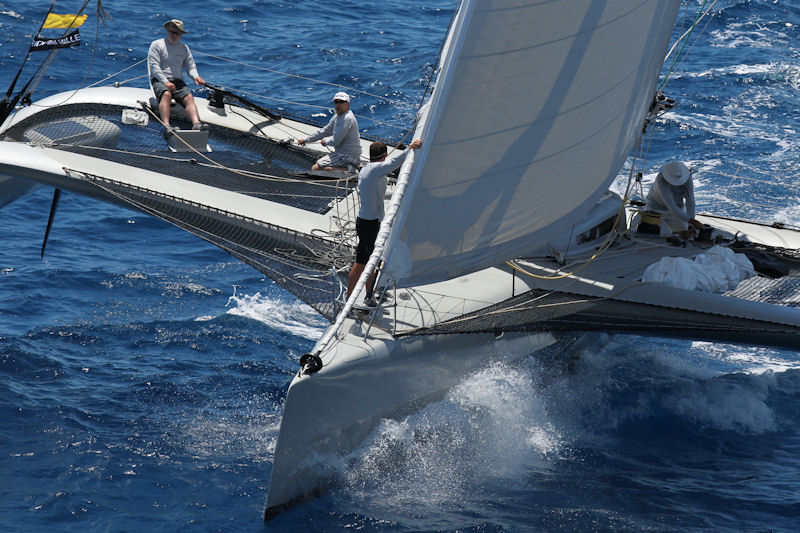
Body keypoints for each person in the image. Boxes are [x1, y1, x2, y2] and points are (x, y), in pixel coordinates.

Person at [347, 138, 423, 304]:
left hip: (370, 221)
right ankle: (348, 298)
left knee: (372, 261)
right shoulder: (375, 169)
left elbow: (379, 194)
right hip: (368, 223)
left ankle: (369, 295)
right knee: (361, 263)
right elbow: (394, 164)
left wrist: (398, 194)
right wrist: (409, 149)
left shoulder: (370, 169)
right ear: (384, 155)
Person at [148, 19, 207, 137]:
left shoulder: (184, 48)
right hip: (160, 80)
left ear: (181, 35)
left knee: (189, 97)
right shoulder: (156, 45)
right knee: (166, 94)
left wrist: (196, 77)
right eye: (171, 32)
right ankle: (166, 126)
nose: (173, 35)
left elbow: (190, 67)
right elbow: (154, 68)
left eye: (177, 33)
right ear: (167, 31)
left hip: (177, 81)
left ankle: (197, 124)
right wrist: (165, 82)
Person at [297, 92, 361, 171]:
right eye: (336, 102)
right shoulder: (337, 117)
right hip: (342, 154)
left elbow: (336, 141)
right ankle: (347, 168)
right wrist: (306, 140)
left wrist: (325, 142)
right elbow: (324, 131)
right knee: (319, 164)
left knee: (316, 168)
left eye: (341, 102)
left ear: (348, 104)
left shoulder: (347, 118)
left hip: (347, 156)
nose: (338, 104)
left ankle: (350, 170)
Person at [645, 161, 705, 238]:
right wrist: (692, 221)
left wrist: (690, 224)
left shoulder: (688, 179)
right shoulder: (660, 180)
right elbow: (671, 206)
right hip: (655, 209)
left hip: (677, 209)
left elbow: (690, 202)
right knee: (662, 236)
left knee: (685, 233)